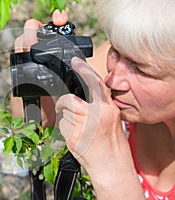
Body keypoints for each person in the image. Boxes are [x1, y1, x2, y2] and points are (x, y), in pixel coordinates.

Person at [11, 0, 175, 199]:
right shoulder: (133, 55)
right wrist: (37, 75)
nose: (112, 79)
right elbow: (32, 130)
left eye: (142, 71)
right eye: (115, 51)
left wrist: (111, 169)